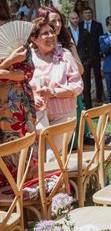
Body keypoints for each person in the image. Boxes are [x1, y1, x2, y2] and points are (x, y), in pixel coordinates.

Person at [29, 18, 83, 158]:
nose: (51, 36)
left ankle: (53, 180)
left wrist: (52, 92)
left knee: (50, 157)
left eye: (52, 32)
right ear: (34, 39)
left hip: (63, 115)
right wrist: (33, 98)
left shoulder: (65, 55)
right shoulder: (28, 58)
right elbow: (22, 86)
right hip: (36, 117)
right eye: (45, 33)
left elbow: (78, 86)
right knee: (34, 158)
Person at [0, 0, 36, 182]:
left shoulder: (15, 34)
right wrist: (8, 63)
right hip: (9, 100)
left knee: (20, 148)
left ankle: (25, 200)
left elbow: (27, 72)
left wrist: (3, 72)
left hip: (16, 104)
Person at [80, 7, 104, 106]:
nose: (88, 14)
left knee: (98, 76)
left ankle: (99, 97)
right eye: (86, 12)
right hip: (85, 57)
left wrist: (101, 53)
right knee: (86, 79)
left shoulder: (98, 25)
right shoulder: (80, 25)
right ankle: (87, 100)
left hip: (95, 55)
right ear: (83, 14)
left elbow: (101, 40)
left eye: (90, 12)